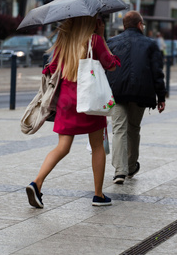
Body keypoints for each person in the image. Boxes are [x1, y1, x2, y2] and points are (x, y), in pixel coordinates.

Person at [26, 15, 120, 208]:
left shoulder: (64, 40)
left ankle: (37, 183)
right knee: (97, 147)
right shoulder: (94, 40)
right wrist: (101, 36)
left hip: (67, 101)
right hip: (89, 100)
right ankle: (98, 195)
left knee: (62, 147)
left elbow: (51, 68)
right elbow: (110, 64)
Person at [106, 11, 166, 184]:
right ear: (140, 25)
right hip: (141, 92)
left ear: (124, 26)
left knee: (119, 129)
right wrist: (161, 96)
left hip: (116, 92)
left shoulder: (112, 42)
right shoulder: (150, 44)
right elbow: (157, 73)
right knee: (133, 128)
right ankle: (131, 166)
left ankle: (119, 171)